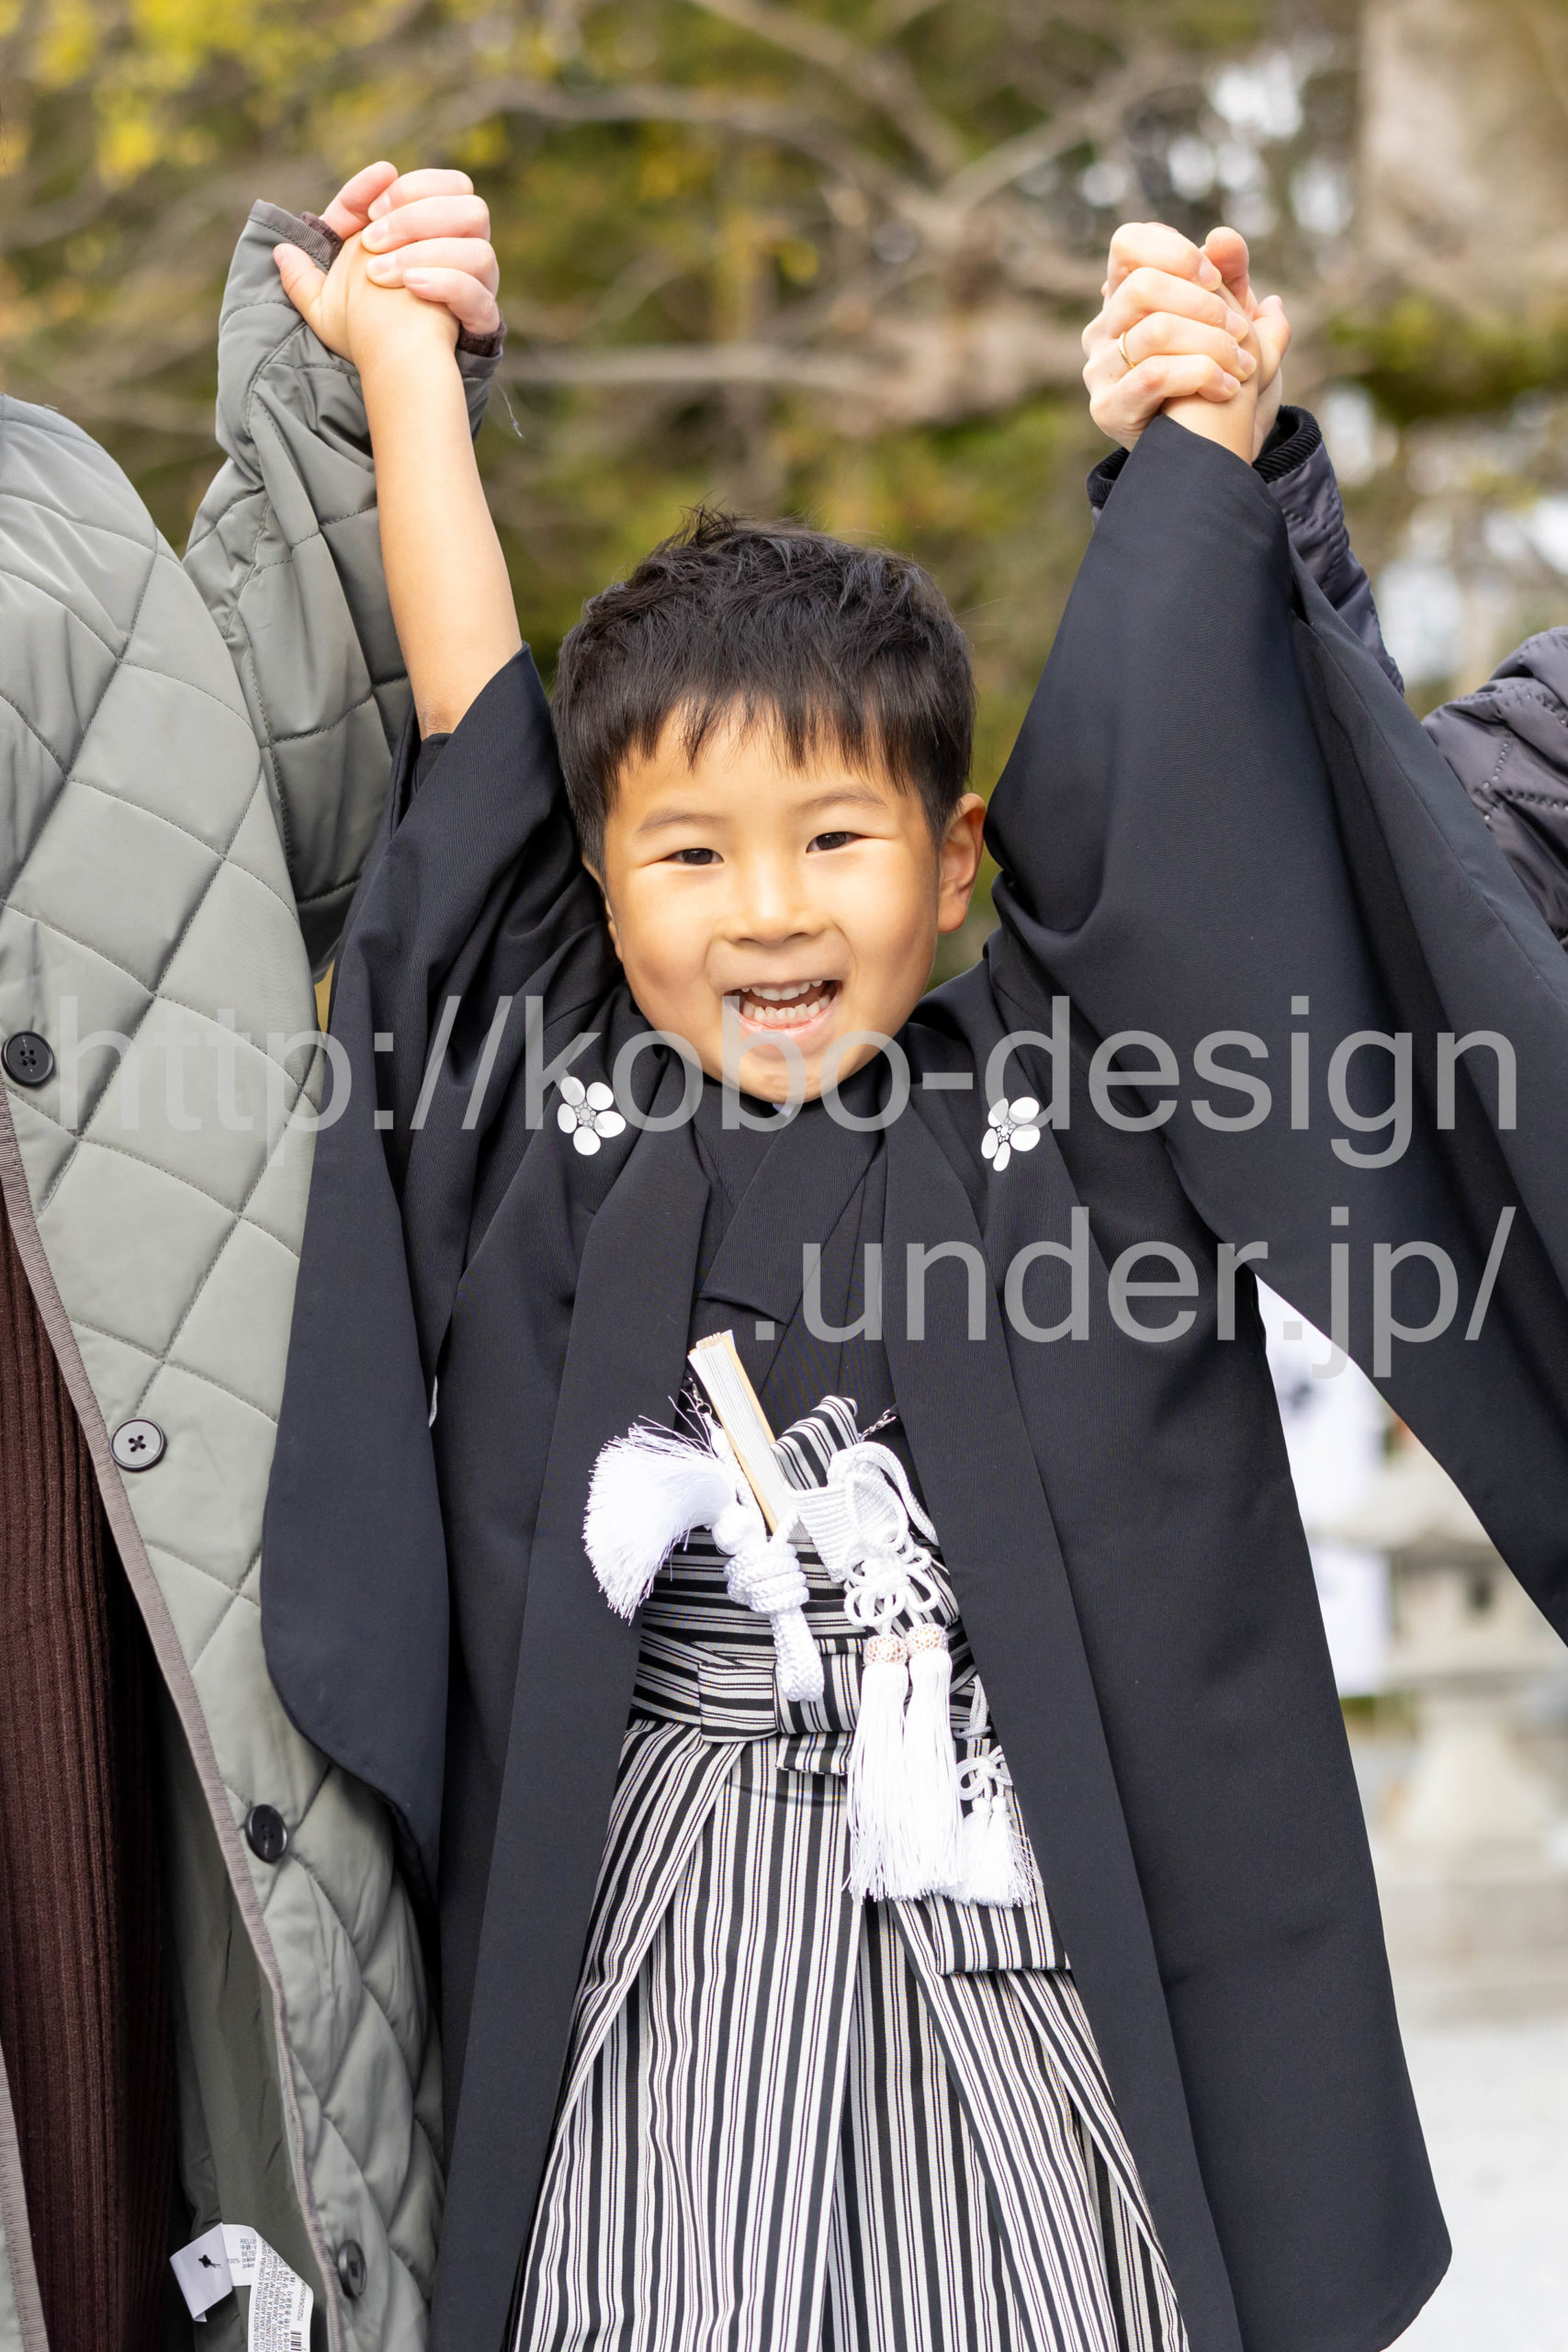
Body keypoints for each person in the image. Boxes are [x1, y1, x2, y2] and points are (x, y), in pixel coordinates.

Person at [262, 216, 1568, 2352]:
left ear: (954, 858)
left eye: (834, 840)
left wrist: (1194, 436)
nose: (766, 911)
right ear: (597, 881)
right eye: (689, 852)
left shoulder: (1067, 1090)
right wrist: (408, 367)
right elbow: (476, 720)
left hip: (1012, 1913)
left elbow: (1161, 779)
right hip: (660, 1924)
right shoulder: (553, 1093)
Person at [0, 164, 500, 2349]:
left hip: (110, 1517)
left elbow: (237, 835)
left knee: (145, 2172)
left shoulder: (41, 504)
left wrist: (350, 391)